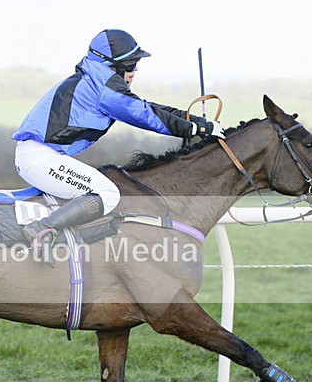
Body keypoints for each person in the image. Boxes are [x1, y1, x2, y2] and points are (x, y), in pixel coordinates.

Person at [12, 28, 224, 245]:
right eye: (130, 65)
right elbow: (144, 115)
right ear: (112, 66)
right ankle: (41, 229)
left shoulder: (96, 80)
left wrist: (196, 122)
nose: (135, 71)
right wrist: (196, 129)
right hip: (40, 159)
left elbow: (147, 107)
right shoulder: (104, 89)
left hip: (41, 156)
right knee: (107, 194)